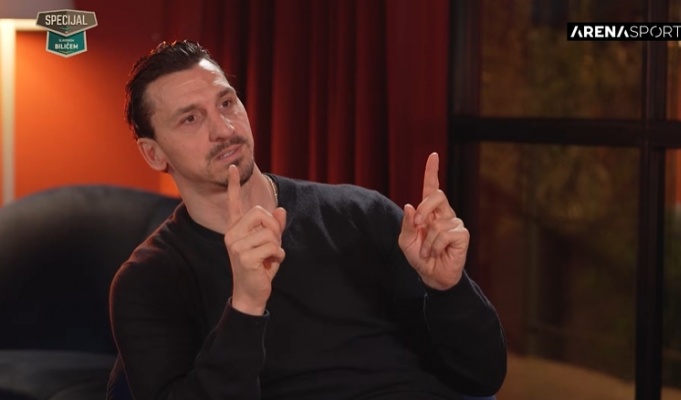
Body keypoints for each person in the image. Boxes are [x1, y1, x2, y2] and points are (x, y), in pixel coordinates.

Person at [107, 40, 506, 400]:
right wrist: (245, 306)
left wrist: (449, 289)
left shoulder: (361, 213)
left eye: (227, 103)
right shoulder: (148, 281)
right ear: (154, 154)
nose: (224, 130)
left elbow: (483, 377)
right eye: (190, 119)